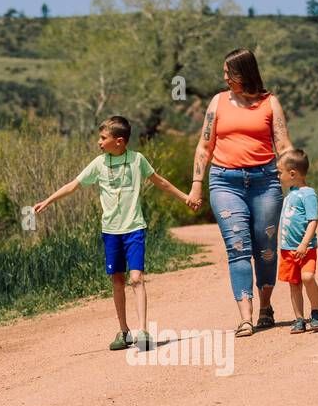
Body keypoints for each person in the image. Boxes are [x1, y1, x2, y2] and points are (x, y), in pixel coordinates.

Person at [34, 116, 192, 351]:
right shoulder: (99, 164)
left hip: (134, 228)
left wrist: (186, 198)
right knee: (117, 280)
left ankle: (143, 331)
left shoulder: (137, 160)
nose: (99, 142)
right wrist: (48, 200)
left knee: (136, 278)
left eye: (103, 138)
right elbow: (73, 185)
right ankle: (124, 331)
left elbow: (160, 182)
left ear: (119, 141)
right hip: (110, 231)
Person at [188, 48, 293, 338]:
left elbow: (283, 145)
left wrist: (297, 183)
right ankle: (245, 317)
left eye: (228, 72)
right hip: (225, 181)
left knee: (266, 248)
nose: (224, 77)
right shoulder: (218, 102)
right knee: (238, 247)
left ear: (243, 73)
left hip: (265, 181)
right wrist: (197, 183)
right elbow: (204, 145)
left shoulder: (270, 103)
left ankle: (265, 307)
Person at [275, 148, 318, 333]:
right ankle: (299, 319)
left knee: (307, 277)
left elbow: (313, 220)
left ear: (292, 173)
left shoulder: (308, 194)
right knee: (294, 284)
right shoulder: (291, 193)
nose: (278, 176)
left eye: (279, 172)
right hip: (287, 249)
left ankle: (316, 311)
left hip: (306, 248)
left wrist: (304, 243)